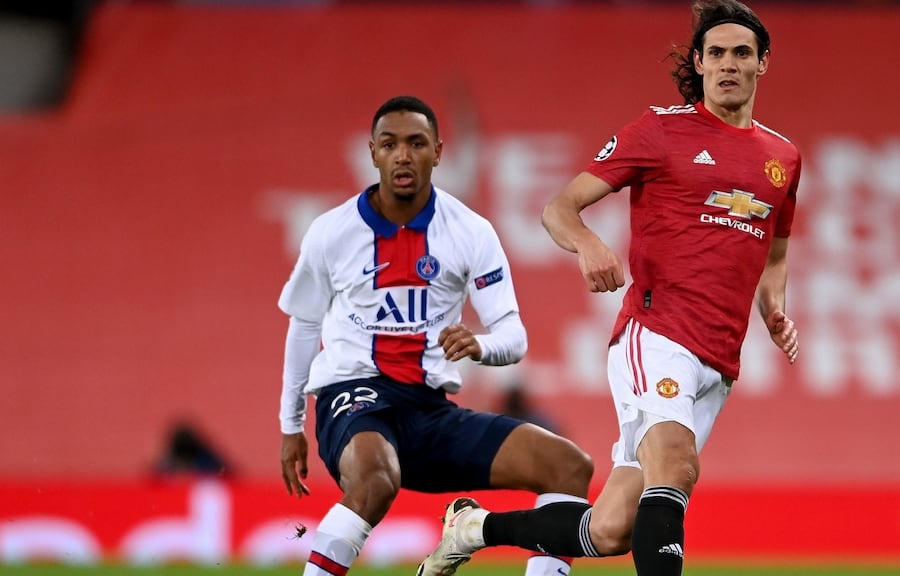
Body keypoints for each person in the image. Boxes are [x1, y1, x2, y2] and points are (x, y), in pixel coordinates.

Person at [417, 1, 800, 575]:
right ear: (697, 62)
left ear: (762, 63)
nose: (727, 64)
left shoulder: (783, 158)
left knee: (612, 527)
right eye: (715, 53)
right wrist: (590, 244)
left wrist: (774, 307)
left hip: (719, 358)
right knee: (677, 465)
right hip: (657, 334)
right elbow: (558, 208)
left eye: (741, 53)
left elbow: (775, 250)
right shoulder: (661, 130)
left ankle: (473, 528)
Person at [277, 95, 593, 576]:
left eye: (416, 143)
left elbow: (514, 335)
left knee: (569, 466)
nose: (403, 154)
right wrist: (290, 425)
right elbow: (304, 325)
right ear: (373, 152)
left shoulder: (470, 231)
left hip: (427, 411)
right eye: (390, 144)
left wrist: (480, 346)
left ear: (439, 151)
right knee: (376, 481)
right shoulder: (332, 232)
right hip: (355, 395)